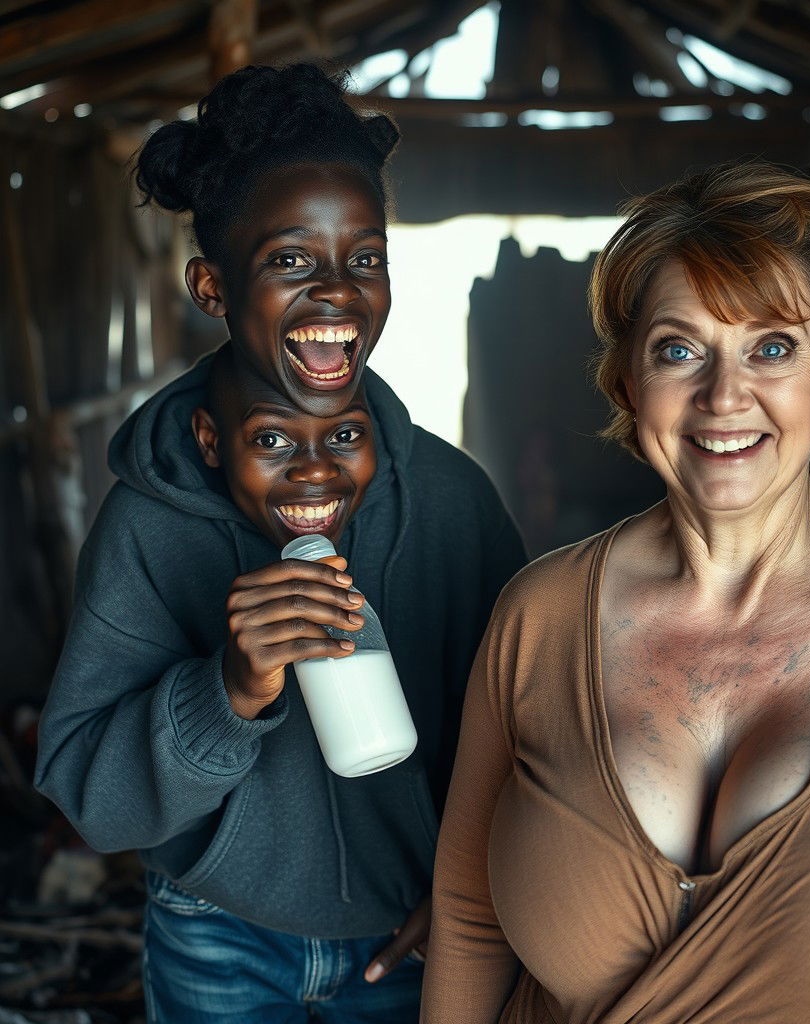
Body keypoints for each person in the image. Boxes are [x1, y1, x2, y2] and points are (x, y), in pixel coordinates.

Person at [421, 161, 810, 1022]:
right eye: (679, 349)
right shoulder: (539, 617)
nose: (724, 395)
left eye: (771, 347)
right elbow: (471, 921)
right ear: (631, 384)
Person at [34, 64, 526, 1023]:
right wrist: (226, 692)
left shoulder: (452, 504)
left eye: (366, 257)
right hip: (218, 926)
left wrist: (477, 895)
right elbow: (90, 794)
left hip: (411, 926)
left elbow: (529, 728)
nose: (337, 292)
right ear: (212, 285)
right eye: (292, 261)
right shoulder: (150, 523)